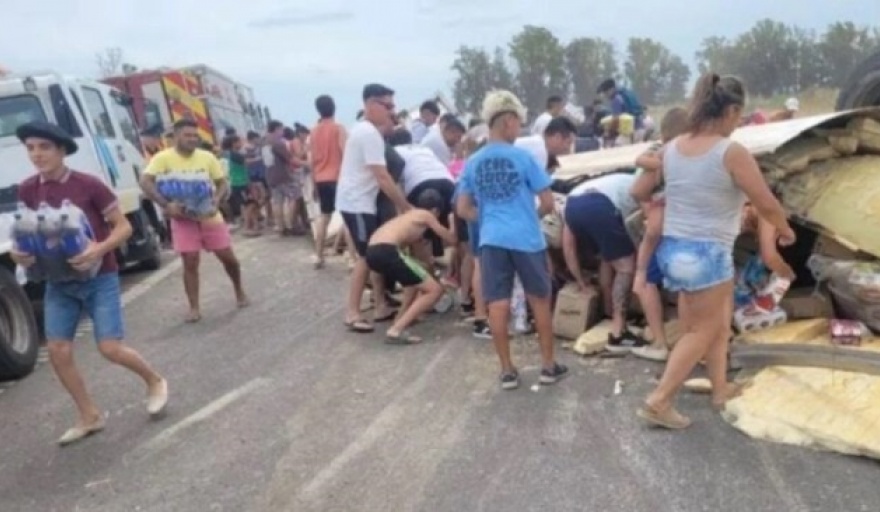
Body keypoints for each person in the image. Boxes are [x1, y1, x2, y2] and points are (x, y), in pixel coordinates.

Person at [632, 73, 795, 429]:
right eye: (740, 115)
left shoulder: (671, 149)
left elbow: (638, 190)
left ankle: (721, 389)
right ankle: (659, 400)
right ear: (731, 110)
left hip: (674, 251)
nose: (739, 123)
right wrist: (783, 230)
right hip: (708, 255)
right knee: (701, 332)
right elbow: (764, 201)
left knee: (716, 326)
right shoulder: (730, 152)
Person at [13, 121, 168, 445]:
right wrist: (19, 254)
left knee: (109, 347)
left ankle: (154, 380)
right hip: (58, 282)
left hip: (100, 277)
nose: (37, 154)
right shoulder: (28, 189)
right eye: (31, 148)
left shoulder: (89, 185)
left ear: (61, 150)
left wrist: (98, 248)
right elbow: (28, 232)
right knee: (58, 350)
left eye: (44, 147)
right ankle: (89, 416)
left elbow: (123, 227)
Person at [456, 90, 567, 390]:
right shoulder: (523, 157)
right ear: (507, 121)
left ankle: (507, 370)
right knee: (539, 300)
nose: (519, 130)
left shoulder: (474, 162)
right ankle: (547, 366)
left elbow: (463, 208)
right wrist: (527, 215)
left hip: (492, 240)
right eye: (518, 123)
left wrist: (490, 217)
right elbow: (547, 203)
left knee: (498, 303)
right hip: (526, 239)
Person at [140, 119, 249, 323]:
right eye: (187, 135)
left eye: (194, 135)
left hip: (209, 216)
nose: (192, 139)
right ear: (175, 137)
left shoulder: (207, 157)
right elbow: (145, 181)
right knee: (190, 261)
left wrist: (217, 199)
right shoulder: (162, 158)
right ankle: (194, 307)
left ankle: (239, 290)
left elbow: (221, 183)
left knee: (228, 259)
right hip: (182, 219)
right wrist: (165, 204)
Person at [336, 83, 411, 333]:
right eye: (386, 105)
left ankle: (380, 303)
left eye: (393, 106)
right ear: (369, 104)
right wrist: (405, 206)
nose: (391, 111)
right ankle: (352, 311)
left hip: (364, 202)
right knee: (366, 257)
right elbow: (382, 176)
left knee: (375, 251)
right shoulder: (367, 133)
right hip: (356, 203)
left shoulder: (368, 132)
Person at [629, 107, 689, 362]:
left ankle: (660, 342)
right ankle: (693, 345)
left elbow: (637, 190)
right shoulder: (693, 154)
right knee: (690, 287)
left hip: (661, 224)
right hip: (687, 227)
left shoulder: (662, 154)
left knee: (645, 281)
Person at [563, 171, 647, 353]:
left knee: (607, 256)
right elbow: (639, 232)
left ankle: (608, 311)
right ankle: (618, 332)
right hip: (601, 206)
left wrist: (581, 283)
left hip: (573, 208)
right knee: (626, 267)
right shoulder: (639, 185)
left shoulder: (579, 191)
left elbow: (568, 247)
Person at [365, 190, 456, 344]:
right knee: (435, 291)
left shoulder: (408, 218)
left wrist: (430, 273)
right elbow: (451, 238)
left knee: (414, 283)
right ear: (435, 210)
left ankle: (400, 320)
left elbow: (421, 262)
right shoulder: (426, 215)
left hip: (373, 251)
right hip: (387, 250)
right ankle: (396, 330)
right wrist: (452, 221)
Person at [389, 129, 455, 265]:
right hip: (447, 181)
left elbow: (395, 185)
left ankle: (426, 268)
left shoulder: (394, 151)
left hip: (419, 184)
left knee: (420, 231)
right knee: (449, 225)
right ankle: (454, 270)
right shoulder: (424, 149)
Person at [310, 94, 349, 269]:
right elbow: (346, 153)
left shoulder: (313, 131)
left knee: (324, 218)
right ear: (334, 107)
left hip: (321, 179)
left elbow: (312, 160)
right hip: (339, 178)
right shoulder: (339, 128)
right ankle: (353, 259)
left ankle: (319, 256)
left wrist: (313, 183)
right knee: (348, 218)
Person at [264, 121, 301, 236]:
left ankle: (281, 227)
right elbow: (289, 158)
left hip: (270, 175)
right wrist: (306, 164)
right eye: (281, 129)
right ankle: (292, 224)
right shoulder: (277, 144)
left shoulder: (263, 142)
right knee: (294, 197)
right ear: (276, 129)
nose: (282, 132)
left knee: (277, 202)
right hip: (283, 175)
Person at [221, 134, 255, 231]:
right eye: (239, 141)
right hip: (241, 182)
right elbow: (246, 163)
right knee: (250, 204)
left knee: (245, 205)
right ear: (234, 143)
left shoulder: (227, 154)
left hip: (234, 182)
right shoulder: (235, 155)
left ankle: (249, 225)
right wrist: (259, 159)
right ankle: (247, 227)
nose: (241, 143)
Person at [598, 79, 646, 146]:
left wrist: (608, 132)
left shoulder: (616, 100)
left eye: (605, 92)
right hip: (640, 128)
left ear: (610, 90)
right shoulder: (626, 93)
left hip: (630, 133)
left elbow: (616, 120)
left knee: (617, 147)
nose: (606, 95)